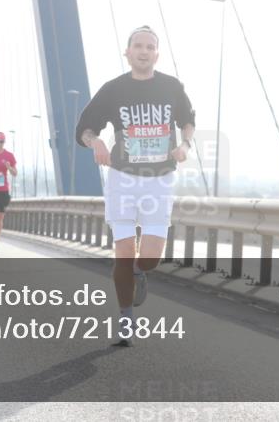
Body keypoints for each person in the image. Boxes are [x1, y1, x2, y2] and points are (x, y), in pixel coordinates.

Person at [75, 25, 196, 347]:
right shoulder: (113, 89)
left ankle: (139, 273)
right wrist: (96, 141)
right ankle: (126, 318)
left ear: (157, 53)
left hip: (160, 180)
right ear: (127, 52)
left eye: (150, 46)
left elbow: (188, 120)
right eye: (138, 46)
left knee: (151, 258)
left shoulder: (172, 87)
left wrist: (185, 145)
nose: (144, 51)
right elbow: (85, 128)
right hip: (122, 179)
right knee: (125, 251)